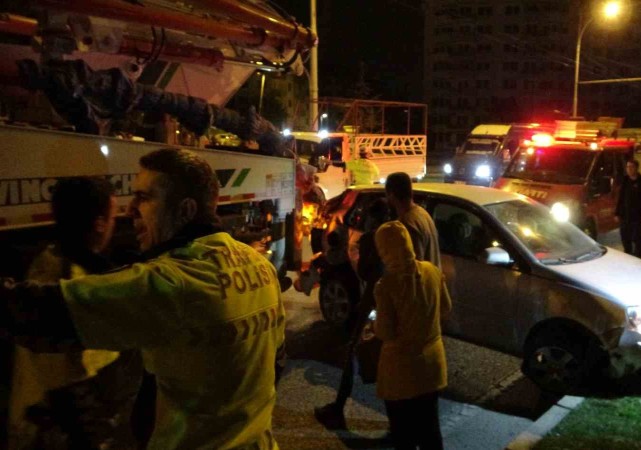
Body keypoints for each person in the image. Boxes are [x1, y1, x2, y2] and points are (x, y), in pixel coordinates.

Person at [1, 148, 285, 450]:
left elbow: (33, 313)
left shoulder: (173, 283)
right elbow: (276, 360)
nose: (130, 210)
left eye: (144, 198)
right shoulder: (259, 266)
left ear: (185, 210)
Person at [8, 177, 141, 450]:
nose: (115, 224)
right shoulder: (71, 282)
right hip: (52, 433)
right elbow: (67, 382)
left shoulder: (49, 262)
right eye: (112, 216)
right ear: (99, 223)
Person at [373, 221, 452, 450]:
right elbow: (445, 308)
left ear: (384, 250)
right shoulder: (432, 271)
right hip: (432, 366)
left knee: (403, 436)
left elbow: (385, 331)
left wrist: (374, 324)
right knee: (430, 432)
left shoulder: (386, 286)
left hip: (401, 372)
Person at [314, 198, 390, 429]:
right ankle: (398, 418)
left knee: (354, 353)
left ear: (372, 218)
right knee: (389, 359)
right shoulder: (397, 236)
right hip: (392, 303)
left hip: (372, 302)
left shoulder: (370, 239)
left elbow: (365, 273)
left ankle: (338, 409)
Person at [385, 172, 442, 269]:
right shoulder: (422, 213)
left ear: (391, 195)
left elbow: (415, 266)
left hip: (423, 278)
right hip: (433, 276)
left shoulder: (407, 223)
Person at [615, 159, 641, 258]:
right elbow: (621, 198)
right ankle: (628, 258)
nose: (629, 169)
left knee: (638, 242)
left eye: (631, 167)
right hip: (625, 217)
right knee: (625, 240)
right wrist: (617, 213)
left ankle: (638, 260)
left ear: (636, 168)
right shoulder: (625, 180)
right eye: (628, 167)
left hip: (638, 219)